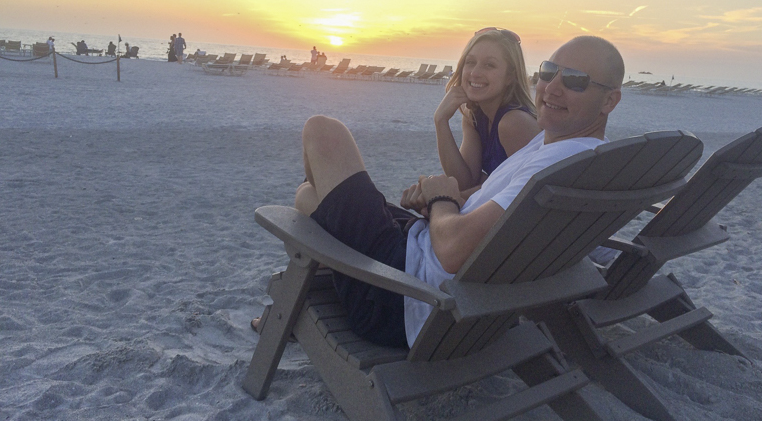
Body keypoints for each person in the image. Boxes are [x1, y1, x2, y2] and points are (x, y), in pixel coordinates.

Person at [251, 35, 624, 348]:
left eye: (575, 80)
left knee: (323, 130)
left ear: (609, 100)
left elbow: (451, 251)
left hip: (407, 293)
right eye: (547, 72)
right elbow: (496, 205)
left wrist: (441, 199)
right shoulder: (568, 152)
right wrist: (446, 198)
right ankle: (315, 285)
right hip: (435, 267)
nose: (552, 87)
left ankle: (296, 303)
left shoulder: (557, 164)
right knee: (309, 197)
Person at [435, 28, 540, 197]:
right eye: (470, 62)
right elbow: (465, 181)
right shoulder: (475, 117)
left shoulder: (514, 122)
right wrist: (441, 121)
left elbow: (524, 190)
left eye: (489, 65)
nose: (475, 73)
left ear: (510, 76)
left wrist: (447, 197)